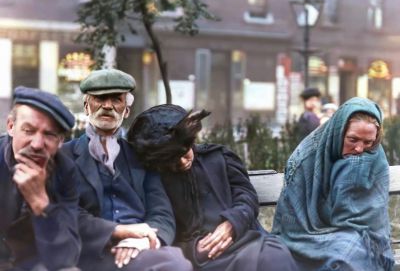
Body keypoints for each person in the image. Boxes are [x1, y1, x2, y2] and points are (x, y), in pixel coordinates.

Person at [127, 104, 298, 271]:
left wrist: (231, 224)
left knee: (274, 256)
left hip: (244, 239)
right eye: (171, 159)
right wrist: (194, 251)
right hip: (194, 254)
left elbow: (246, 196)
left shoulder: (220, 157)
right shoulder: (155, 177)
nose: (182, 162)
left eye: (184, 151)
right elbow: (162, 222)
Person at [61, 69, 192, 271]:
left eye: (116, 99)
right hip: (91, 250)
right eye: (100, 98)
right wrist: (117, 231)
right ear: (86, 106)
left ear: (127, 110)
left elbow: (161, 212)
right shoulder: (64, 156)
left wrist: (146, 240)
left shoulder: (140, 155)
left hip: (140, 248)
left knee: (175, 263)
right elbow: (65, 213)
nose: (107, 106)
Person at [272, 97, 394, 270]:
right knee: (343, 257)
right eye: (352, 139)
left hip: (362, 236)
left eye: (368, 142)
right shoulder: (306, 159)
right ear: (338, 132)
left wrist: (350, 168)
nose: (360, 149)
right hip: (305, 235)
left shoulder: (374, 157)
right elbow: (292, 221)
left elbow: (371, 220)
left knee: (352, 253)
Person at [0, 86, 80, 270]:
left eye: (49, 135)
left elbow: (66, 255)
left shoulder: (65, 171)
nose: (37, 145)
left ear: (60, 141)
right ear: (11, 127)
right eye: (28, 130)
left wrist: (41, 204)